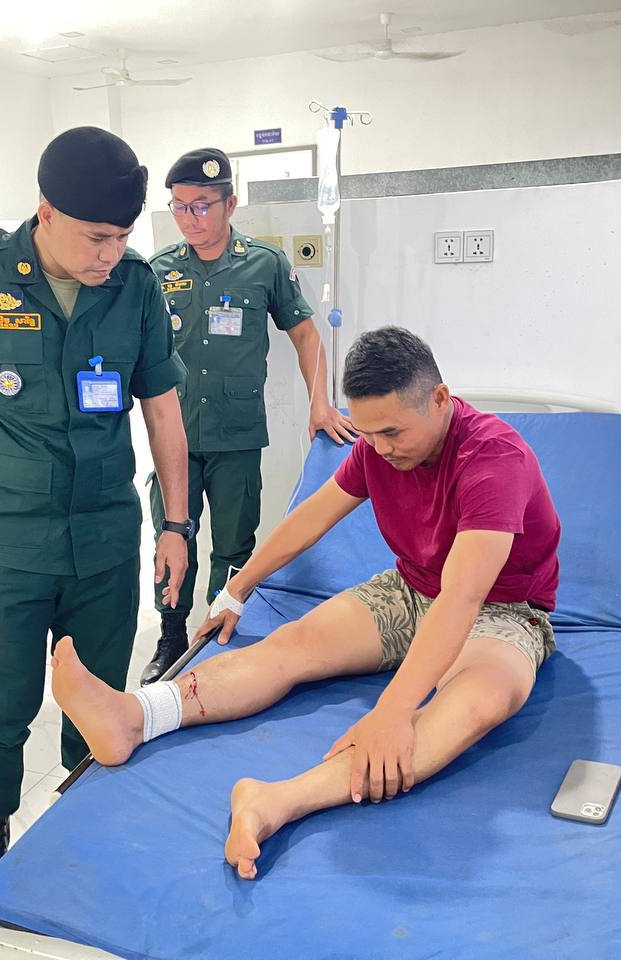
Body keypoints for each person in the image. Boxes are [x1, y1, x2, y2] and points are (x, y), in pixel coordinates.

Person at [50, 326, 561, 880]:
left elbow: (463, 597)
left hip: (503, 610)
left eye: (393, 431)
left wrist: (392, 711)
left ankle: (275, 801)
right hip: (412, 589)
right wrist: (237, 588)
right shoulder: (377, 449)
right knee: (292, 643)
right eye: (369, 434)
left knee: (480, 701)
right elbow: (310, 519)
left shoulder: (493, 457)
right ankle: (135, 716)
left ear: (439, 399)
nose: (381, 448)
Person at [0, 127, 193, 892]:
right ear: (46, 213)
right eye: (96, 237)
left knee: (96, 702)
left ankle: (83, 829)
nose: (110, 254)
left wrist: (177, 525)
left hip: (102, 542)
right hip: (1, 548)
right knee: (0, 710)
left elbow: (162, 411)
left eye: (123, 237)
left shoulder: (136, 285)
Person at [140, 147, 357, 684]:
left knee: (234, 544)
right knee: (172, 539)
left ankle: (216, 632)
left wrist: (320, 403)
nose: (190, 218)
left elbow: (306, 335)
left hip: (236, 435)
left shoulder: (264, 263)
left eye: (202, 206)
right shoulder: (157, 271)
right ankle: (171, 636)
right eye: (180, 207)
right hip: (174, 438)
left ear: (230, 203)